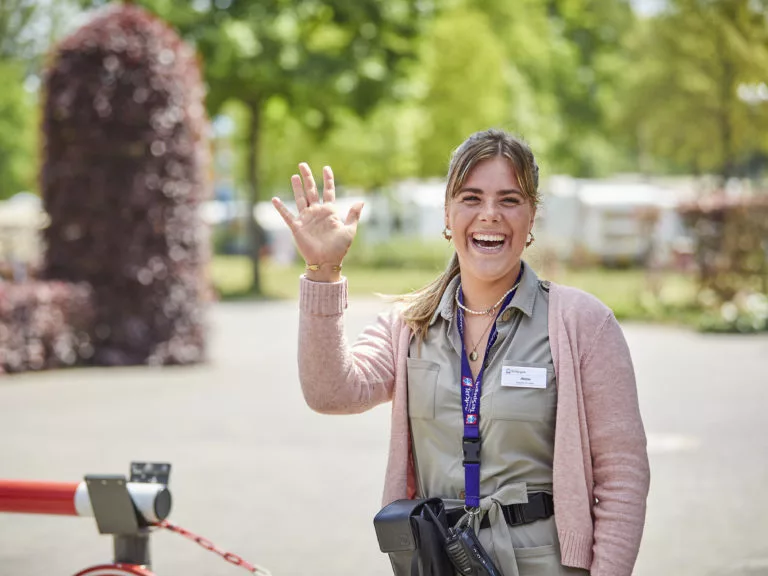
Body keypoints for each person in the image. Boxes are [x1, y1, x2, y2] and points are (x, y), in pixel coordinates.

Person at [272, 129, 650, 576]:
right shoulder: (409, 324)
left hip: (545, 563)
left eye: (509, 200)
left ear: (532, 217)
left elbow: (622, 476)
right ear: (448, 215)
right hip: (438, 559)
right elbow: (330, 393)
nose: (490, 215)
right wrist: (323, 271)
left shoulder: (582, 323)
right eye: (471, 198)